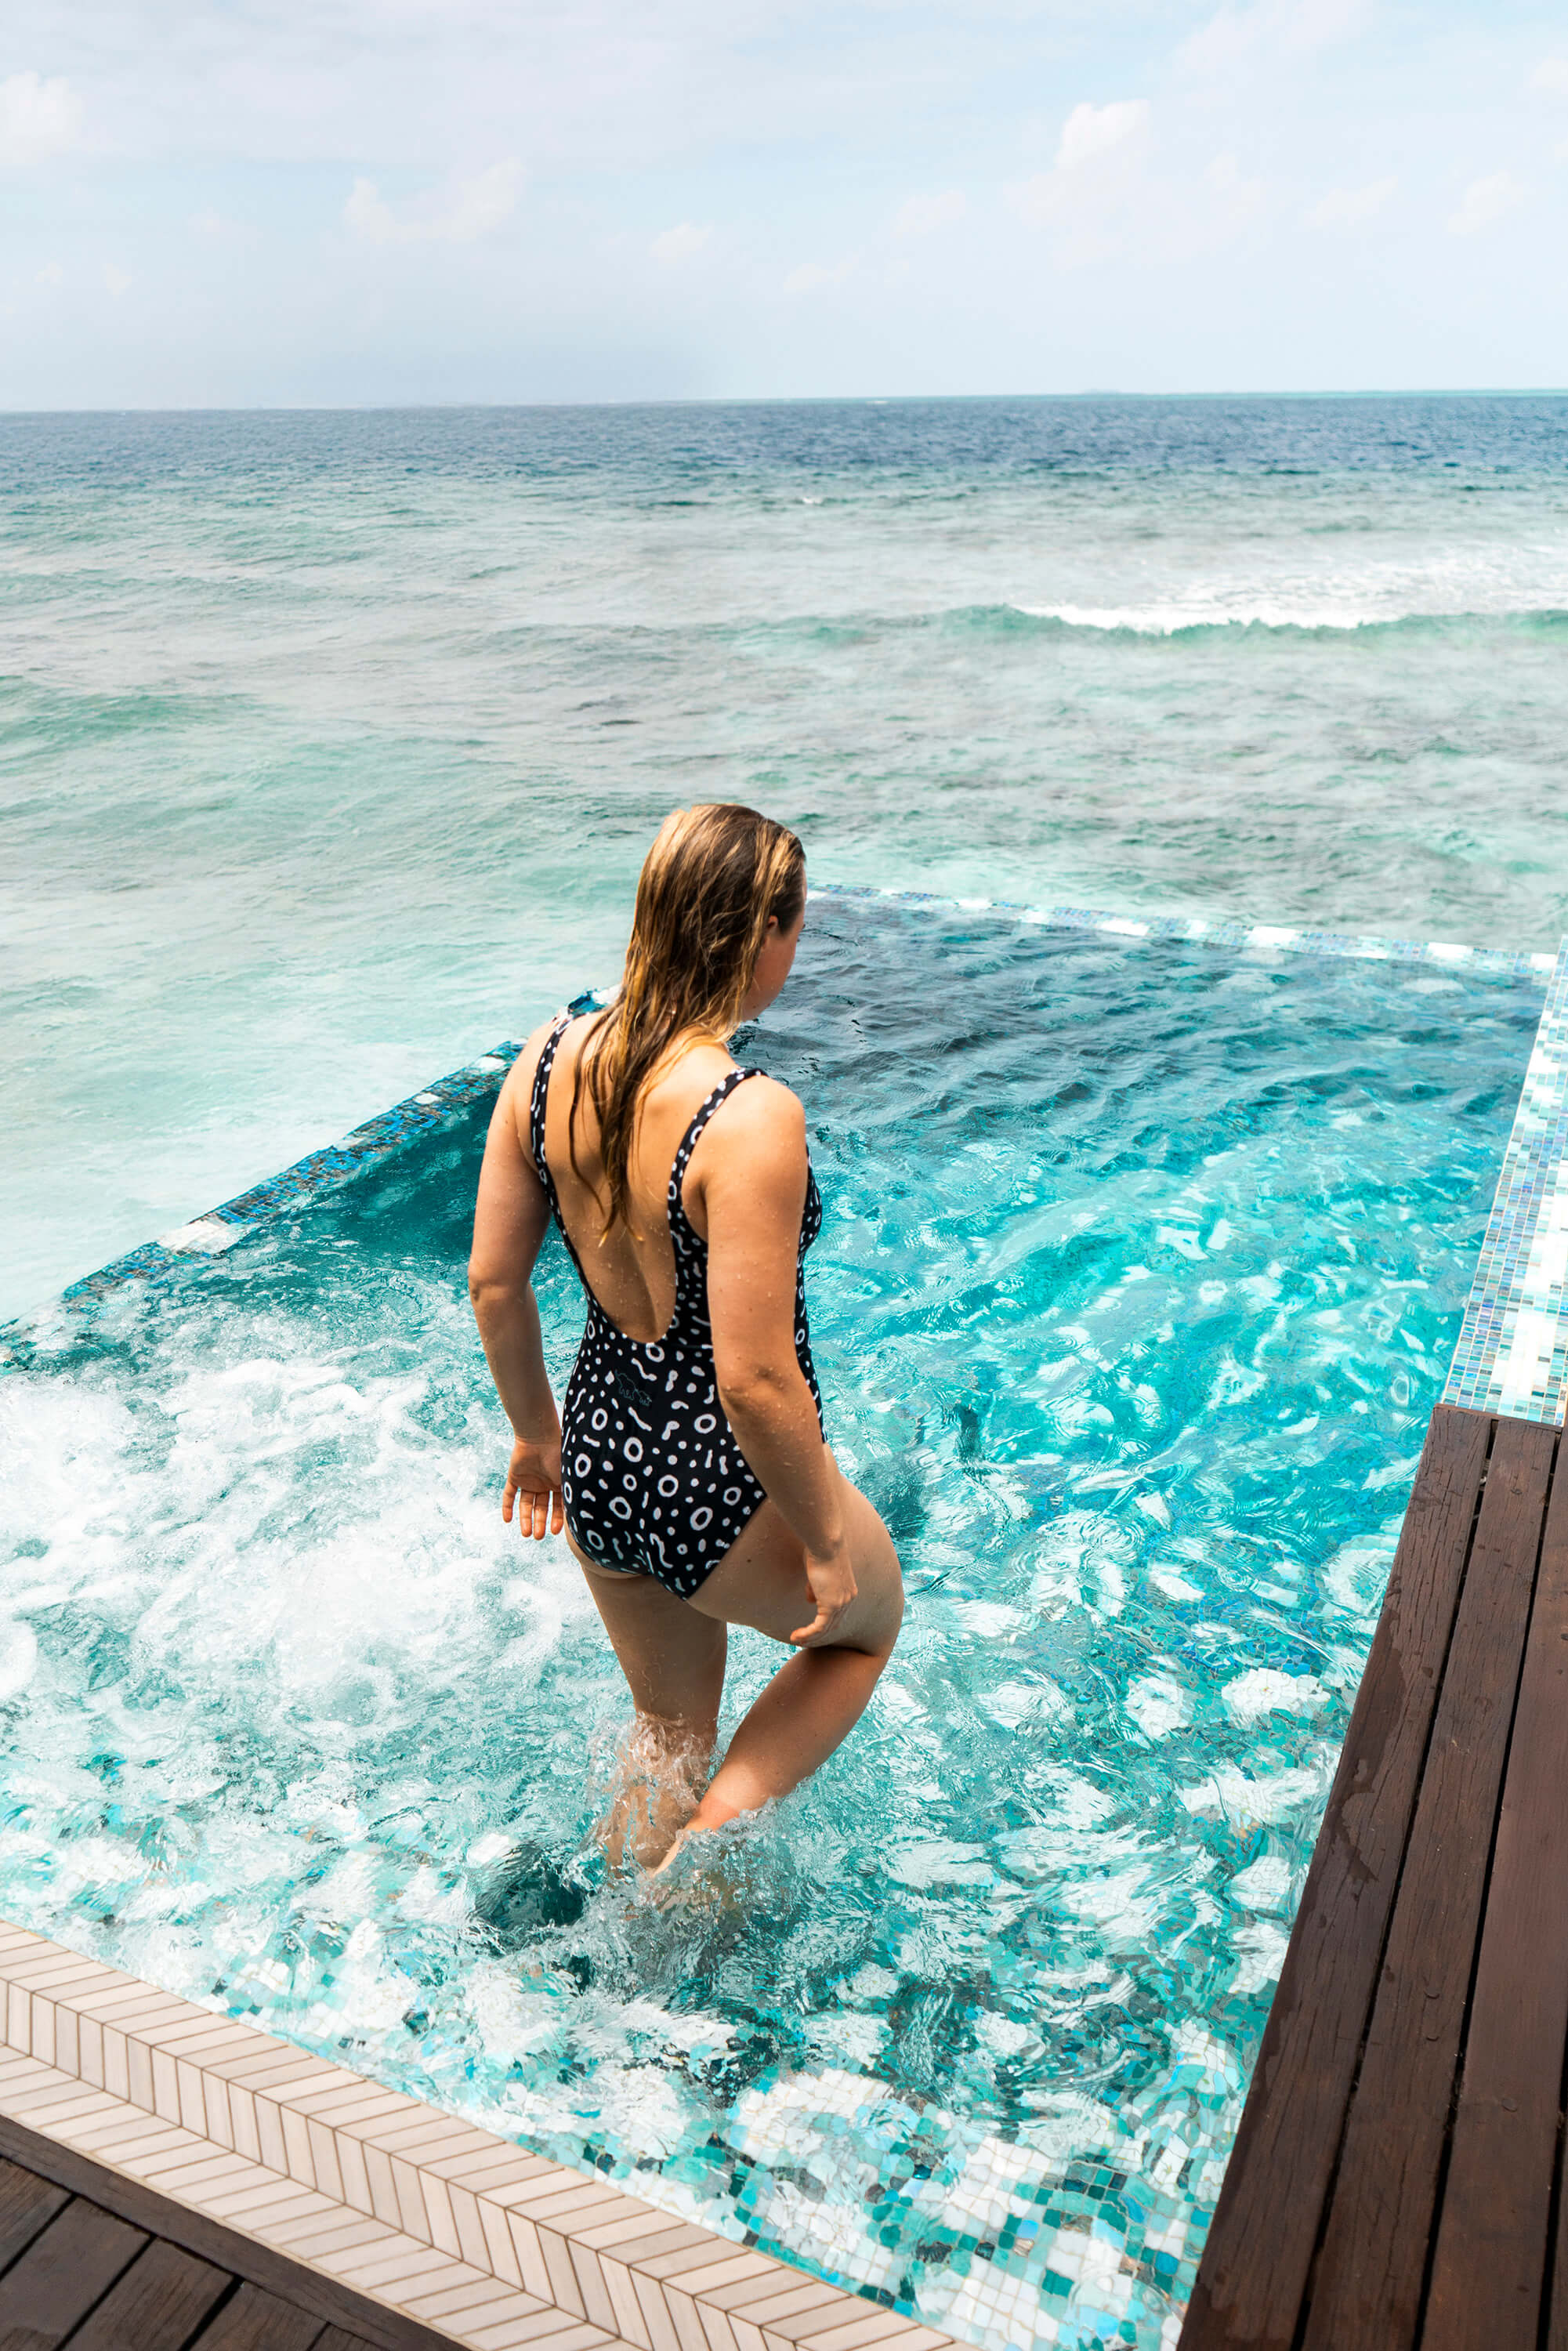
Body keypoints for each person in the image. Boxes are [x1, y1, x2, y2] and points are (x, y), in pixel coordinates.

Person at [469, 804, 904, 1870]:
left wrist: (536, 1440)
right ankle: (694, 1873)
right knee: (861, 1637)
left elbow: (492, 1284)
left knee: (666, 1734)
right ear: (760, 933)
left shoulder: (547, 1056)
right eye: (794, 933)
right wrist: (826, 1540)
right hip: (722, 1479)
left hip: (600, 1459)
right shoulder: (748, 1116)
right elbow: (753, 1380)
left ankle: (625, 1945)